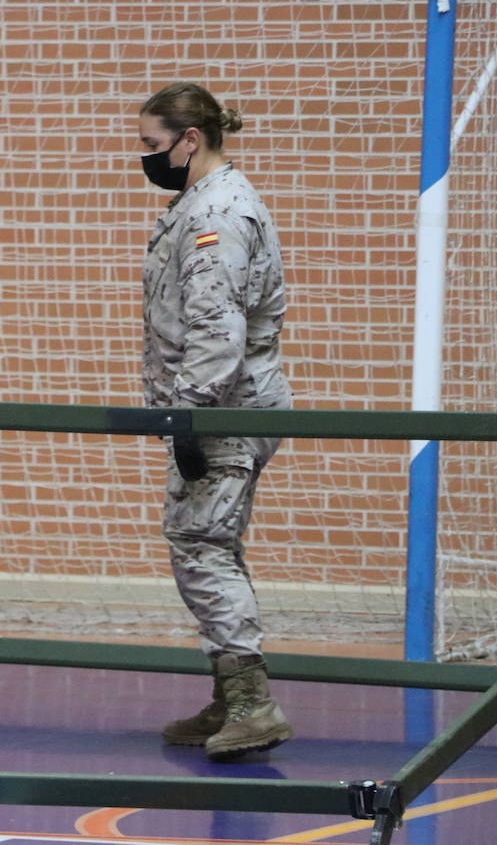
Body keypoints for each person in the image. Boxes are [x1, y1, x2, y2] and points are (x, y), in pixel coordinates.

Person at [136, 83, 293, 760]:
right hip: (215, 408)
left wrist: (189, 417)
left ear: (189, 139)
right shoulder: (201, 205)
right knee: (203, 543)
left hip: (223, 411)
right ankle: (233, 697)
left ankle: (254, 705)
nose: (145, 157)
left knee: (202, 545)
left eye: (151, 144)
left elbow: (216, 327)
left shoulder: (218, 215)